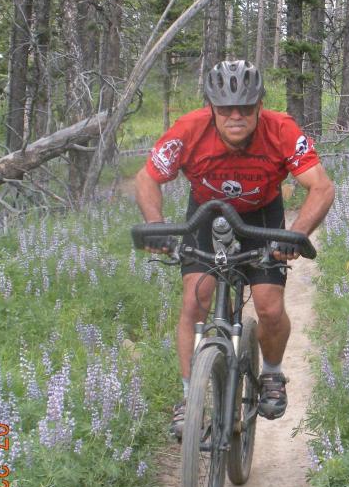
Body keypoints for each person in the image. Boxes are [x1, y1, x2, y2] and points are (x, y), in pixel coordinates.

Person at [134, 59, 335, 438]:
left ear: (260, 104)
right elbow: (148, 177)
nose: (236, 115)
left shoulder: (280, 129)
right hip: (206, 215)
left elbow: (322, 186)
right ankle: (188, 397)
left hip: (261, 216)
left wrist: (296, 234)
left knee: (268, 305)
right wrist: (156, 226)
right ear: (212, 106)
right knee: (196, 301)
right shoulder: (189, 129)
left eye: (246, 107)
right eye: (226, 108)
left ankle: (272, 373)